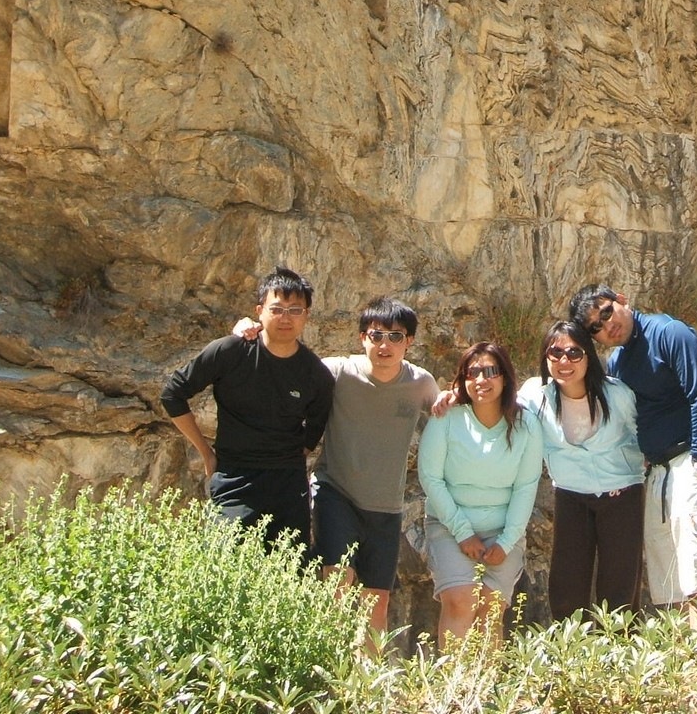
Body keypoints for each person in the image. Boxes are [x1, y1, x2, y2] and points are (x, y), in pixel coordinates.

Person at [568, 283, 697, 607]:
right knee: (669, 578)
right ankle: (684, 641)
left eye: (607, 312)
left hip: (693, 457)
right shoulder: (617, 363)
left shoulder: (670, 333)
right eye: (596, 327)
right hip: (658, 471)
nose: (607, 326)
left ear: (621, 300)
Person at [161, 265, 334, 551]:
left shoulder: (316, 374)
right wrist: (206, 453)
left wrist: (284, 461)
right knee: (224, 565)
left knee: (289, 572)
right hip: (233, 479)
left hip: (288, 489)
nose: (285, 318)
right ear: (259, 311)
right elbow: (172, 395)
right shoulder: (230, 352)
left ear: (307, 315)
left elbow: (313, 431)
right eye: (276, 309)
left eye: (295, 310)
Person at [314, 297, 439, 641]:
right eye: (376, 335)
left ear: (409, 341)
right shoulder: (339, 372)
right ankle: (330, 665)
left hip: (386, 507)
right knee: (336, 585)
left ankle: (368, 673)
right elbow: (287, 364)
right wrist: (247, 333)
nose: (385, 345)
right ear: (362, 338)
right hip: (336, 493)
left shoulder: (420, 383)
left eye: (395, 336)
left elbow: (452, 420)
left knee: (377, 603)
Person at [417, 342, 543, 647]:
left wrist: (506, 542)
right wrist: (462, 532)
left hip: (503, 532)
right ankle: (453, 677)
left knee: (490, 607)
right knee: (461, 600)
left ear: (505, 377)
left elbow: (526, 486)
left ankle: (484, 678)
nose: (481, 380)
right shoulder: (446, 417)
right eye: (472, 373)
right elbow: (430, 478)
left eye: (490, 371)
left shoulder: (526, 424)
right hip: (450, 527)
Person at [518, 319, 645, 621]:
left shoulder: (617, 394)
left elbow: (643, 431)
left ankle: (619, 648)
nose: (565, 361)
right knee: (567, 586)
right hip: (571, 495)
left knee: (620, 588)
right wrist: (453, 395)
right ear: (545, 357)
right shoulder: (535, 396)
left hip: (622, 495)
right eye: (556, 353)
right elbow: (499, 406)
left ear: (589, 356)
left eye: (574, 353)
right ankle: (570, 648)